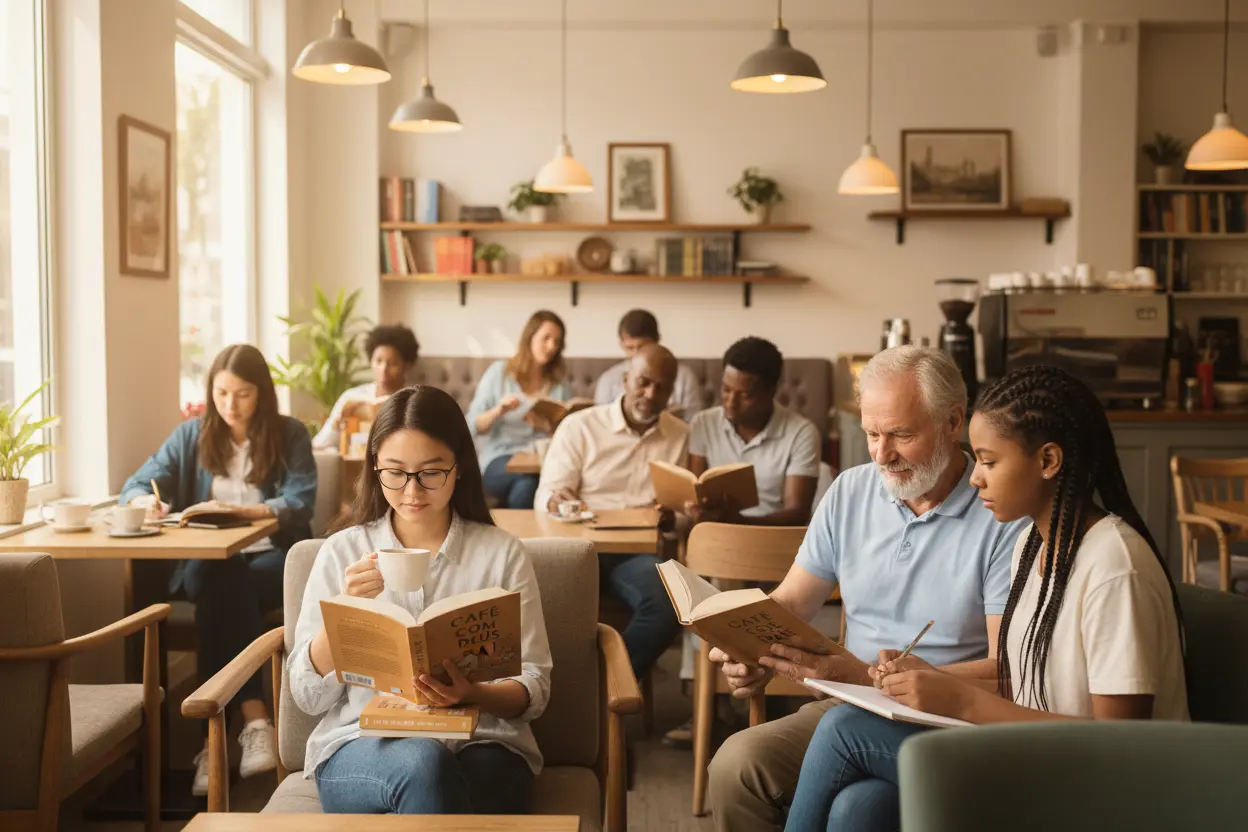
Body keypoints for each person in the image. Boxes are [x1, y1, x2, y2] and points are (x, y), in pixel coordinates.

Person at [784, 364, 1187, 832]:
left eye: (989, 462)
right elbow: (1022, 681)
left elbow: (1122, 748)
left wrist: (961, 700)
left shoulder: (1114, 568)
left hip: (1098, 787)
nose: (974, 478)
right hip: (1039, 758)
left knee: (844, 731)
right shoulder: (1031, 545)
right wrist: (928, 677)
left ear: (1048, 460)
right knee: (860, 807)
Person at [705, 346, 1026, 832]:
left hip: (948, 716)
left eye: (901, 434)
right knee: (735, 766)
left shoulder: (999, 513)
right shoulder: (850, 491)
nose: (881, 454)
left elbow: (1007, 668)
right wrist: (744, 643)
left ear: (953, 422)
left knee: (857, 809)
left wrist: (863, 675)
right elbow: (792, 602)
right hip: (850, 701)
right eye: (872, 434)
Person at [289, 385, 553, 815]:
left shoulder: (502, 553)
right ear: (374, 467)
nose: (412, 491)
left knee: (445, 775)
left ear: (459, 467)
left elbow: (535, 689)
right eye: (394, 472)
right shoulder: (341, 552)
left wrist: (474, 694)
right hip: (363, 742)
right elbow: (306, 696)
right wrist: (345, 613)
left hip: (483, 741)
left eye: (431, 473)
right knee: (426, 766)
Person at [120, 344, 317, 796]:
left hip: (271, 559)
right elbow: (137, 483)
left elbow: (301, 500)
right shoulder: (191, 435)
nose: (231, 404)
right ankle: (255, 718)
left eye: (243, 394)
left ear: (261, 393)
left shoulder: (288, 434)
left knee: (222, 587)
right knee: (221, 575)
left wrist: (244, 513)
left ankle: (210, 748)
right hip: (207, 565)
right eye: (222, 393)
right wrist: (144, 501)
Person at [534, 344, 687, 678]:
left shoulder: (680, 435)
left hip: (637, 554)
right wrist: (556, 500)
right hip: (578, 547)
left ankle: (602, 686)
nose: (651, 394)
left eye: (662, 388)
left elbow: (685, 510)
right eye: (644, 382)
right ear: (626, 379)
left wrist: (673, 516)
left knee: (669, 604)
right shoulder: (580, 426)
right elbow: (546, 494)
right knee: (535, 607)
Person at [686, 336, 821, 526]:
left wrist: (740, 523)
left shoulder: (802, 433)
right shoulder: (704, 423)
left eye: (745, 395)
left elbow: (797, 513)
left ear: (771, 392)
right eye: (726, 389)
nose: (731, 402)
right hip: (714, 531)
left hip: (771, 536)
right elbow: (695, 492)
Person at [468, 310, 569, 508]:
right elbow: (471, 425)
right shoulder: (499, 373)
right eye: (546, 338)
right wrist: (498, 411)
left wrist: (545, 426)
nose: (552, 347)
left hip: (541, 461)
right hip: (499, 459)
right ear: (530, 337)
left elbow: (567, 436)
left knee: (527, 484)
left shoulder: (560, 386)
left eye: (557, 342)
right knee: (529, 482)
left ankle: (509, 527)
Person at [313, 323, 421, 450]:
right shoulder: (351, 397)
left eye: (393, 363)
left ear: (407, 365)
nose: (383, 370)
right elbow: (318, 445)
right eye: (378, 361)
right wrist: (336, 426)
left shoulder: (415, 400)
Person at [593, 309, 703, 419]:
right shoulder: (608, 380)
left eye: (642, 347)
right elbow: (601, 420)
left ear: (657, 340)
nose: (636, 354)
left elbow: (693, 420)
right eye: (630, 348)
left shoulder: (684, 377)